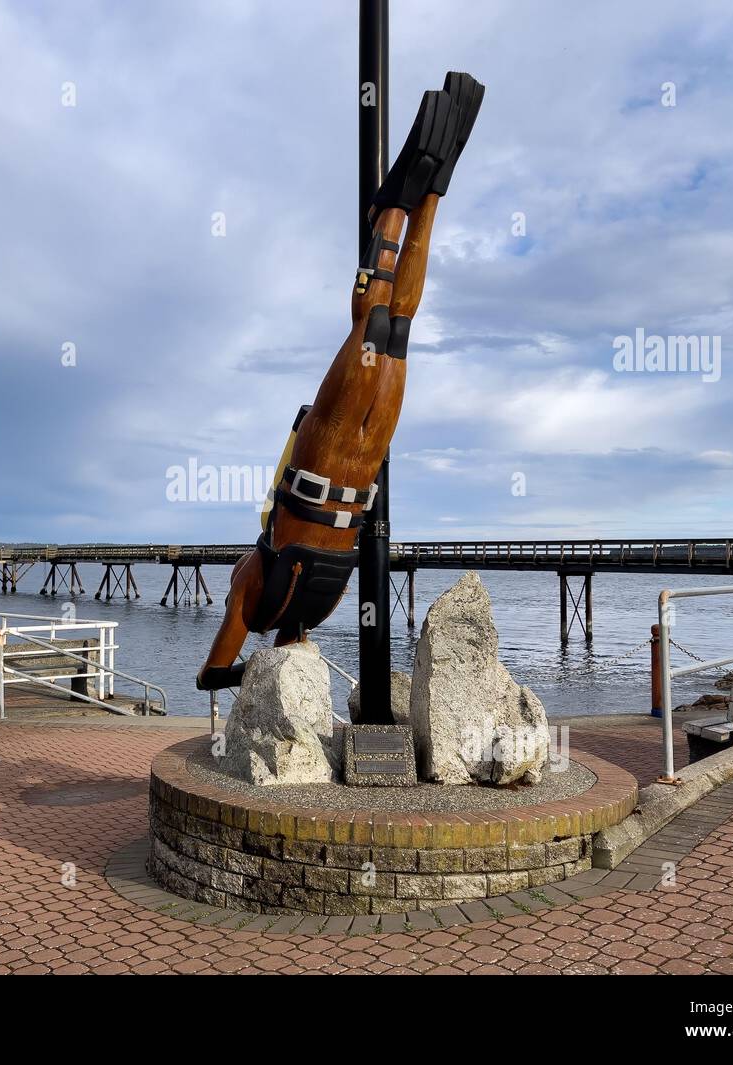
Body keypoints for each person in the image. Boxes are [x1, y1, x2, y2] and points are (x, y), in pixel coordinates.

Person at [197, 72, 485, 691]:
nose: (232, 577)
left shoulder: (298, 609)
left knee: (396, 328)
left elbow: (221, 671)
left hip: (351, 479)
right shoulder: (254, 590)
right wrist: (246, 648)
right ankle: (402, 205)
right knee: (378, 323)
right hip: (328, 461)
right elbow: (211, 671)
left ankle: (429, 196)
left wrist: (261, 670)